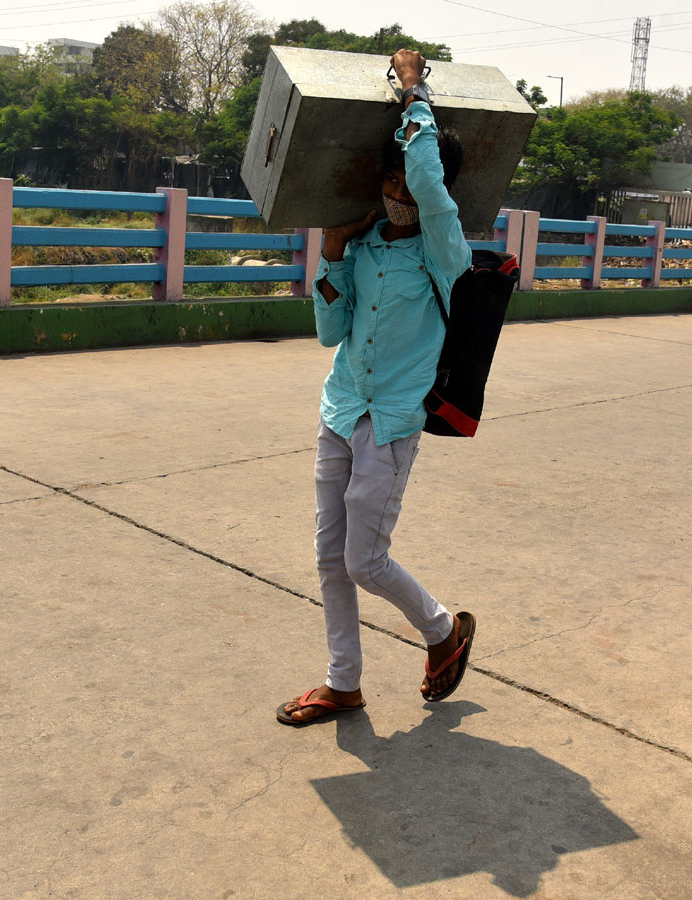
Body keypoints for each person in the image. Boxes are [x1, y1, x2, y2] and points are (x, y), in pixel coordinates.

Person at [277, 49, 477, 727]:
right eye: (388, 177)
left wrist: (413, 95)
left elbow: (426, 175)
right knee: (330, 558)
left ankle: (442, 630)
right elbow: (331, 332)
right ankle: (344, 683)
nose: (398, 188)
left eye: (409, 180)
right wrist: (332, 251)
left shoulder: (444, 252)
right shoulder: (364, 247)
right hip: (341, 409)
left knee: (365, 559)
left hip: (390, 422)